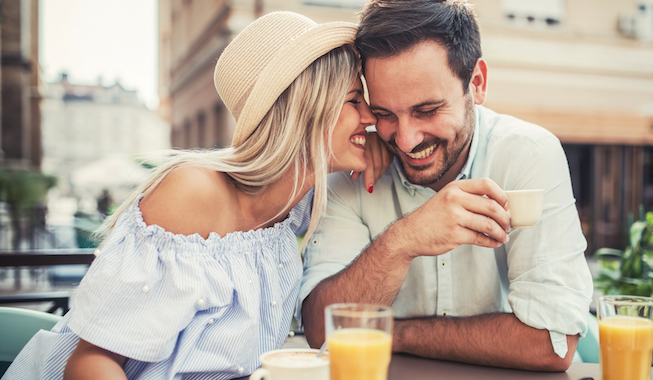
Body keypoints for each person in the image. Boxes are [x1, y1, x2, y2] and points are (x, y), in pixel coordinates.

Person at [2, 11, 387, 380]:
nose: (370, 118)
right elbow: (89, 363)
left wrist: (378, 150)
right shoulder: (191, 194)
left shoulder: (298, 199)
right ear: (304, 108)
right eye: (354, 100)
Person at [299, 0, 594, 372]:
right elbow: (321, 332)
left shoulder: (528, 154)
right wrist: (402, 241)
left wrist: (391, 333)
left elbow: (551, 343)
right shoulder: (351, 170)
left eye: (427, 110)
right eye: (386, 114)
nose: (405, 140)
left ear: (477, 83)